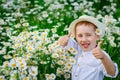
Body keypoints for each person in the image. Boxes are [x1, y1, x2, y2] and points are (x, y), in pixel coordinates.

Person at [58, 15, 118, 80]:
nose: (84, 39)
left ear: (97, 36)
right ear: (75, 37)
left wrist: (103, 58)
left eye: (88, 35)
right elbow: (65, 43)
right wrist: (62, 40)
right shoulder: (78, 48)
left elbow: (112, 73)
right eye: (80, 36)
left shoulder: (100, 55)